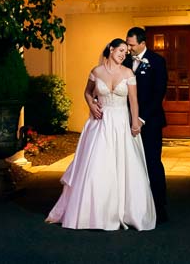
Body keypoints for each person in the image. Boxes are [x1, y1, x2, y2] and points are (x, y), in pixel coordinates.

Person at [45, 38, 156, 231]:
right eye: (120, 50)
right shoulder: (96, 72)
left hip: (122, 124)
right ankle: (94, 214)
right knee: (97, 166)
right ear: (111, 49)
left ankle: (128, 212)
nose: (123, 54)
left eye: (126, 52)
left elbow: (134, 101)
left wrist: (135, 123)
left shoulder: (128, 73)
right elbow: (87, 92)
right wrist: (91, 104)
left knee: (126, 167)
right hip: (100, 124)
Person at [124, 26, 169, 223]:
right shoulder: (123, 60)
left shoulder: (157, 61)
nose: (128, 48)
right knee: (131, 165)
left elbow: (158, 93)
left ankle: (159, 209)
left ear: (143, 43)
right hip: (125, 122)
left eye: (131, 44)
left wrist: (141, 119)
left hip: (149, 122)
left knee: (152, 163)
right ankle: (134, 208)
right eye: (127, 43)